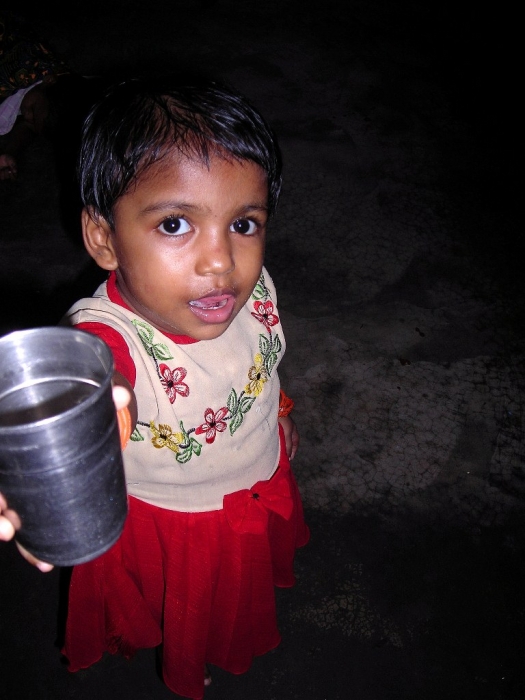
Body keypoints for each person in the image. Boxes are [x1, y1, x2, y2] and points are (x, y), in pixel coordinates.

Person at [1, 74, 309, 699]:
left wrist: (277, 408)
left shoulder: (245, 290)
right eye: (175, 225)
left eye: (244, 223)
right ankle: (186, 657)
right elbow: (92, 377)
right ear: (103, 238)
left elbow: (261, 358)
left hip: (256, 474)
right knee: (187, 609)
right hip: (179, 523)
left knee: (239, 591)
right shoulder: (111, 338)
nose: (220, 260)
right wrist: (42, 445)